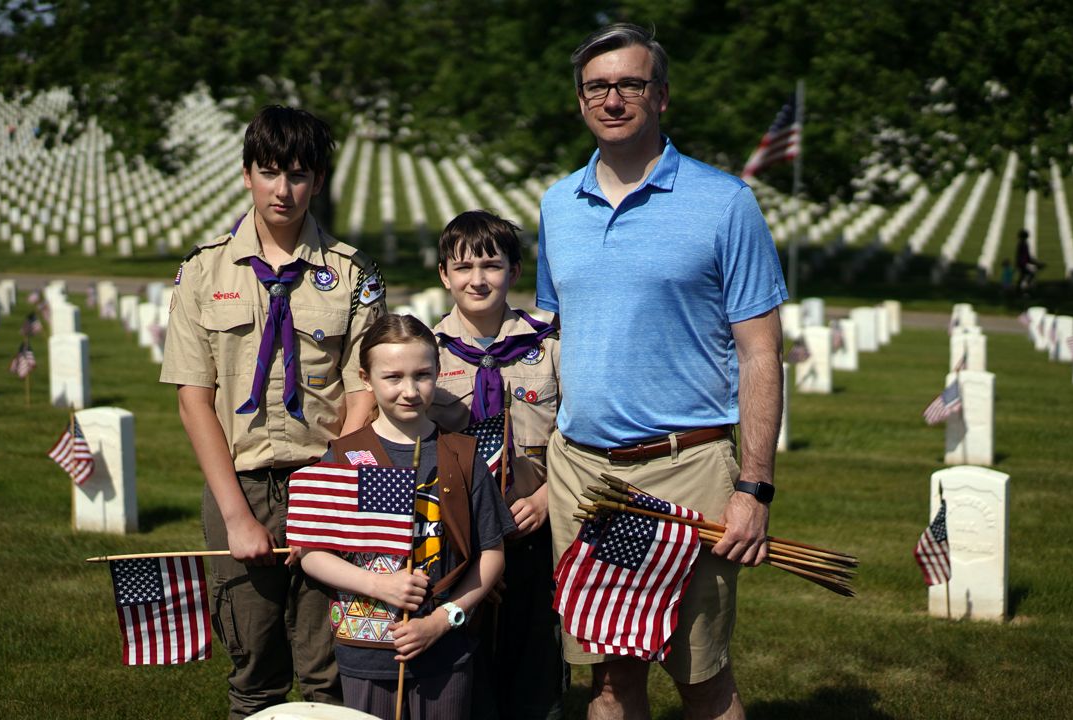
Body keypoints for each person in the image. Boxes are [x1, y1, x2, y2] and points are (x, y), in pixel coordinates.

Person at [536, 24, 788, 720]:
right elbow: (557, 338)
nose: (612, 99)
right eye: (597, 86)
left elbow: (761, 352)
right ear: (579, 100)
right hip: (585, 475)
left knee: (700, 675)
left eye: (630, 84)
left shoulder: (725, 203)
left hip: (687, 471)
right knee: (611, 679)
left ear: (662, 96)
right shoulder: (558, 206)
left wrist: (754, 488)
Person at [160, 105, 386, 719]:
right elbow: (193, 399)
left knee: (332, 667)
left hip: (329, 482)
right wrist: (236, 515)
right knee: (255, 668)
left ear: (316, 181)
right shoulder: (202, 273)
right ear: (246, 175)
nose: (282, 190)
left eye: (298, 174)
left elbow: (363, 387)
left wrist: (334, 490)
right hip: (244, 485)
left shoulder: (353, 274)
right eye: (269, 172)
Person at [299, 314, 515, 720]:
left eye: (423, 375)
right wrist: (378, 584)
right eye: (393, 377)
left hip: (446, 648)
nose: (410, 390)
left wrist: (442, 620)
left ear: (438, 372)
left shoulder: (463, 455)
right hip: (367, 652)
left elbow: (492, 554)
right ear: (366, 379)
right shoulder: (345, 457)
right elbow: (311, 552)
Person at [427, 210, 565, 719]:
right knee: (463, 673)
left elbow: (578, 433)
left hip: (535, 528)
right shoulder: (425, 351)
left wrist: (548, 498)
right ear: (444, 274)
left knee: (536, 671)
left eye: (491, 264)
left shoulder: (549, 344)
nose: (477, 279)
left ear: (514, 270)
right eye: (462, 267)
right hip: (455, 540)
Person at [1014, 228, 1043, 294]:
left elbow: (1023, 256)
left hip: (1021, 263)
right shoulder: (1023, 244)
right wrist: (1037, 263)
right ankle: (1025, 289)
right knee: (1030, 274)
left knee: (1023, 276)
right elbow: (1026, 257)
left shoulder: (1021, 243)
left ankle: (1020, 290)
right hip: (1022, 264)